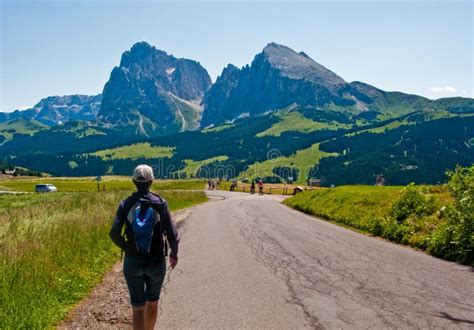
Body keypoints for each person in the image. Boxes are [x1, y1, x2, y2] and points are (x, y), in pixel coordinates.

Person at [109, 165, 179, 330]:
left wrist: (126, 247)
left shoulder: (126, 204)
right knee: (152, 303)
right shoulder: (160, 203)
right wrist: (174, 254)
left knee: (138, 306)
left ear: (133, 181)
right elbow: (172, 234)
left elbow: (113, 233)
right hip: (156, 260)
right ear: (151, 181)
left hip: (133, 260)